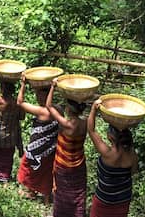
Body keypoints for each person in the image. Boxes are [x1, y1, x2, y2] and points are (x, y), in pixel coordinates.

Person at [88, 100, 138, 217]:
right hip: (123, 200)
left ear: (110, 137)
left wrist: (93, 109)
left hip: (104, 199)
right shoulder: (132, 155)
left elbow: (91, 130)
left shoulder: (107, 153)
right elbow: (133, 172)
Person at [47, 78, 88, 217]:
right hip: (79, 164)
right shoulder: (86, 124)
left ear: (69, 109)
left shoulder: (66, 124)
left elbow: (48, 106)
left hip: (63, 165)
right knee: (78, 191)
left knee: (62, 193)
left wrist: (53, 87)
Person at [16, 73, 59, 204]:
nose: (37, 97)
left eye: (40, 95)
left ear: (47, 97)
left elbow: (20, 102)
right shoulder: (58, 110)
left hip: (38, 151)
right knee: (45, 173)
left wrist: (23, 84)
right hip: (50, 150)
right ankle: (43, 197)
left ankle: (31, 191)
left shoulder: (43, 111)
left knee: (28, 167)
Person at [0, 66, 25, 182]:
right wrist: (23, 85)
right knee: (7, 156)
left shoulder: (1, 101)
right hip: (11, 136)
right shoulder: (18, 104)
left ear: (3, 89)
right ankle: (5, 175)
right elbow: (22, 117)